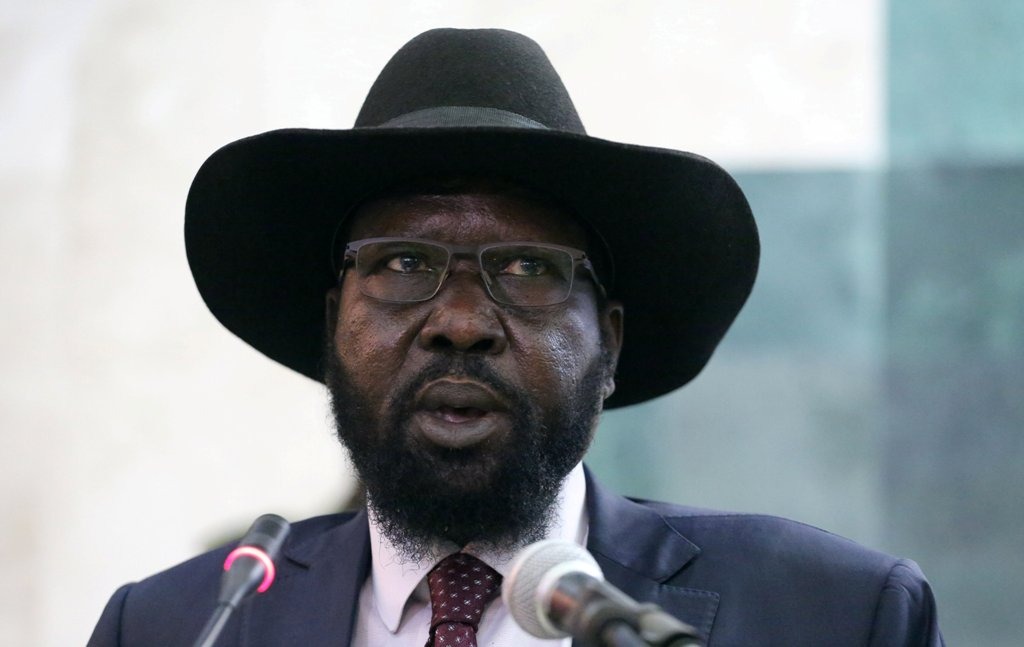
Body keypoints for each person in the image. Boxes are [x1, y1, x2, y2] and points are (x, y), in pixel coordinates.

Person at [88, 28, 943, 646]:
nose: (460, 324)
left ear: (607, 343)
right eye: (401, 263)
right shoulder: (176, 625)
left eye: (529, 270)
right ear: (331, 325)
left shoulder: (836, 614)